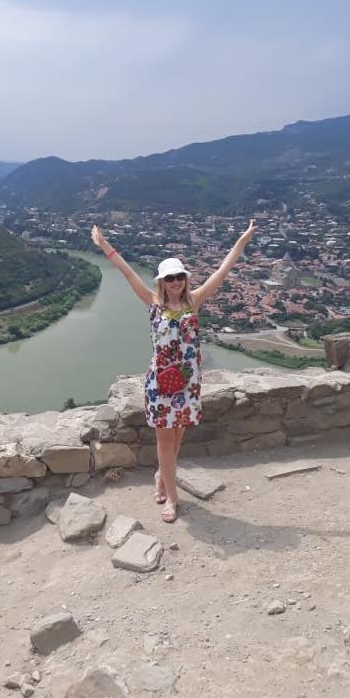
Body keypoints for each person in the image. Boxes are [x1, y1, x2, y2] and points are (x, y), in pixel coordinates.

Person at [91, 220, 256, 522]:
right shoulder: (153, 303)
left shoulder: (195, 302)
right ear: (162, 282)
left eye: (180, 276)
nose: (176, 282)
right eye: (170, 278)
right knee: (165, 441)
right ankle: (172, 497)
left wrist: (241, 242)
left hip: (188, 384)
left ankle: (160, 476)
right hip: (161, 384)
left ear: (185, 279)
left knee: (177, 438)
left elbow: (222, 271)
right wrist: (104, 246)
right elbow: (127, 272)